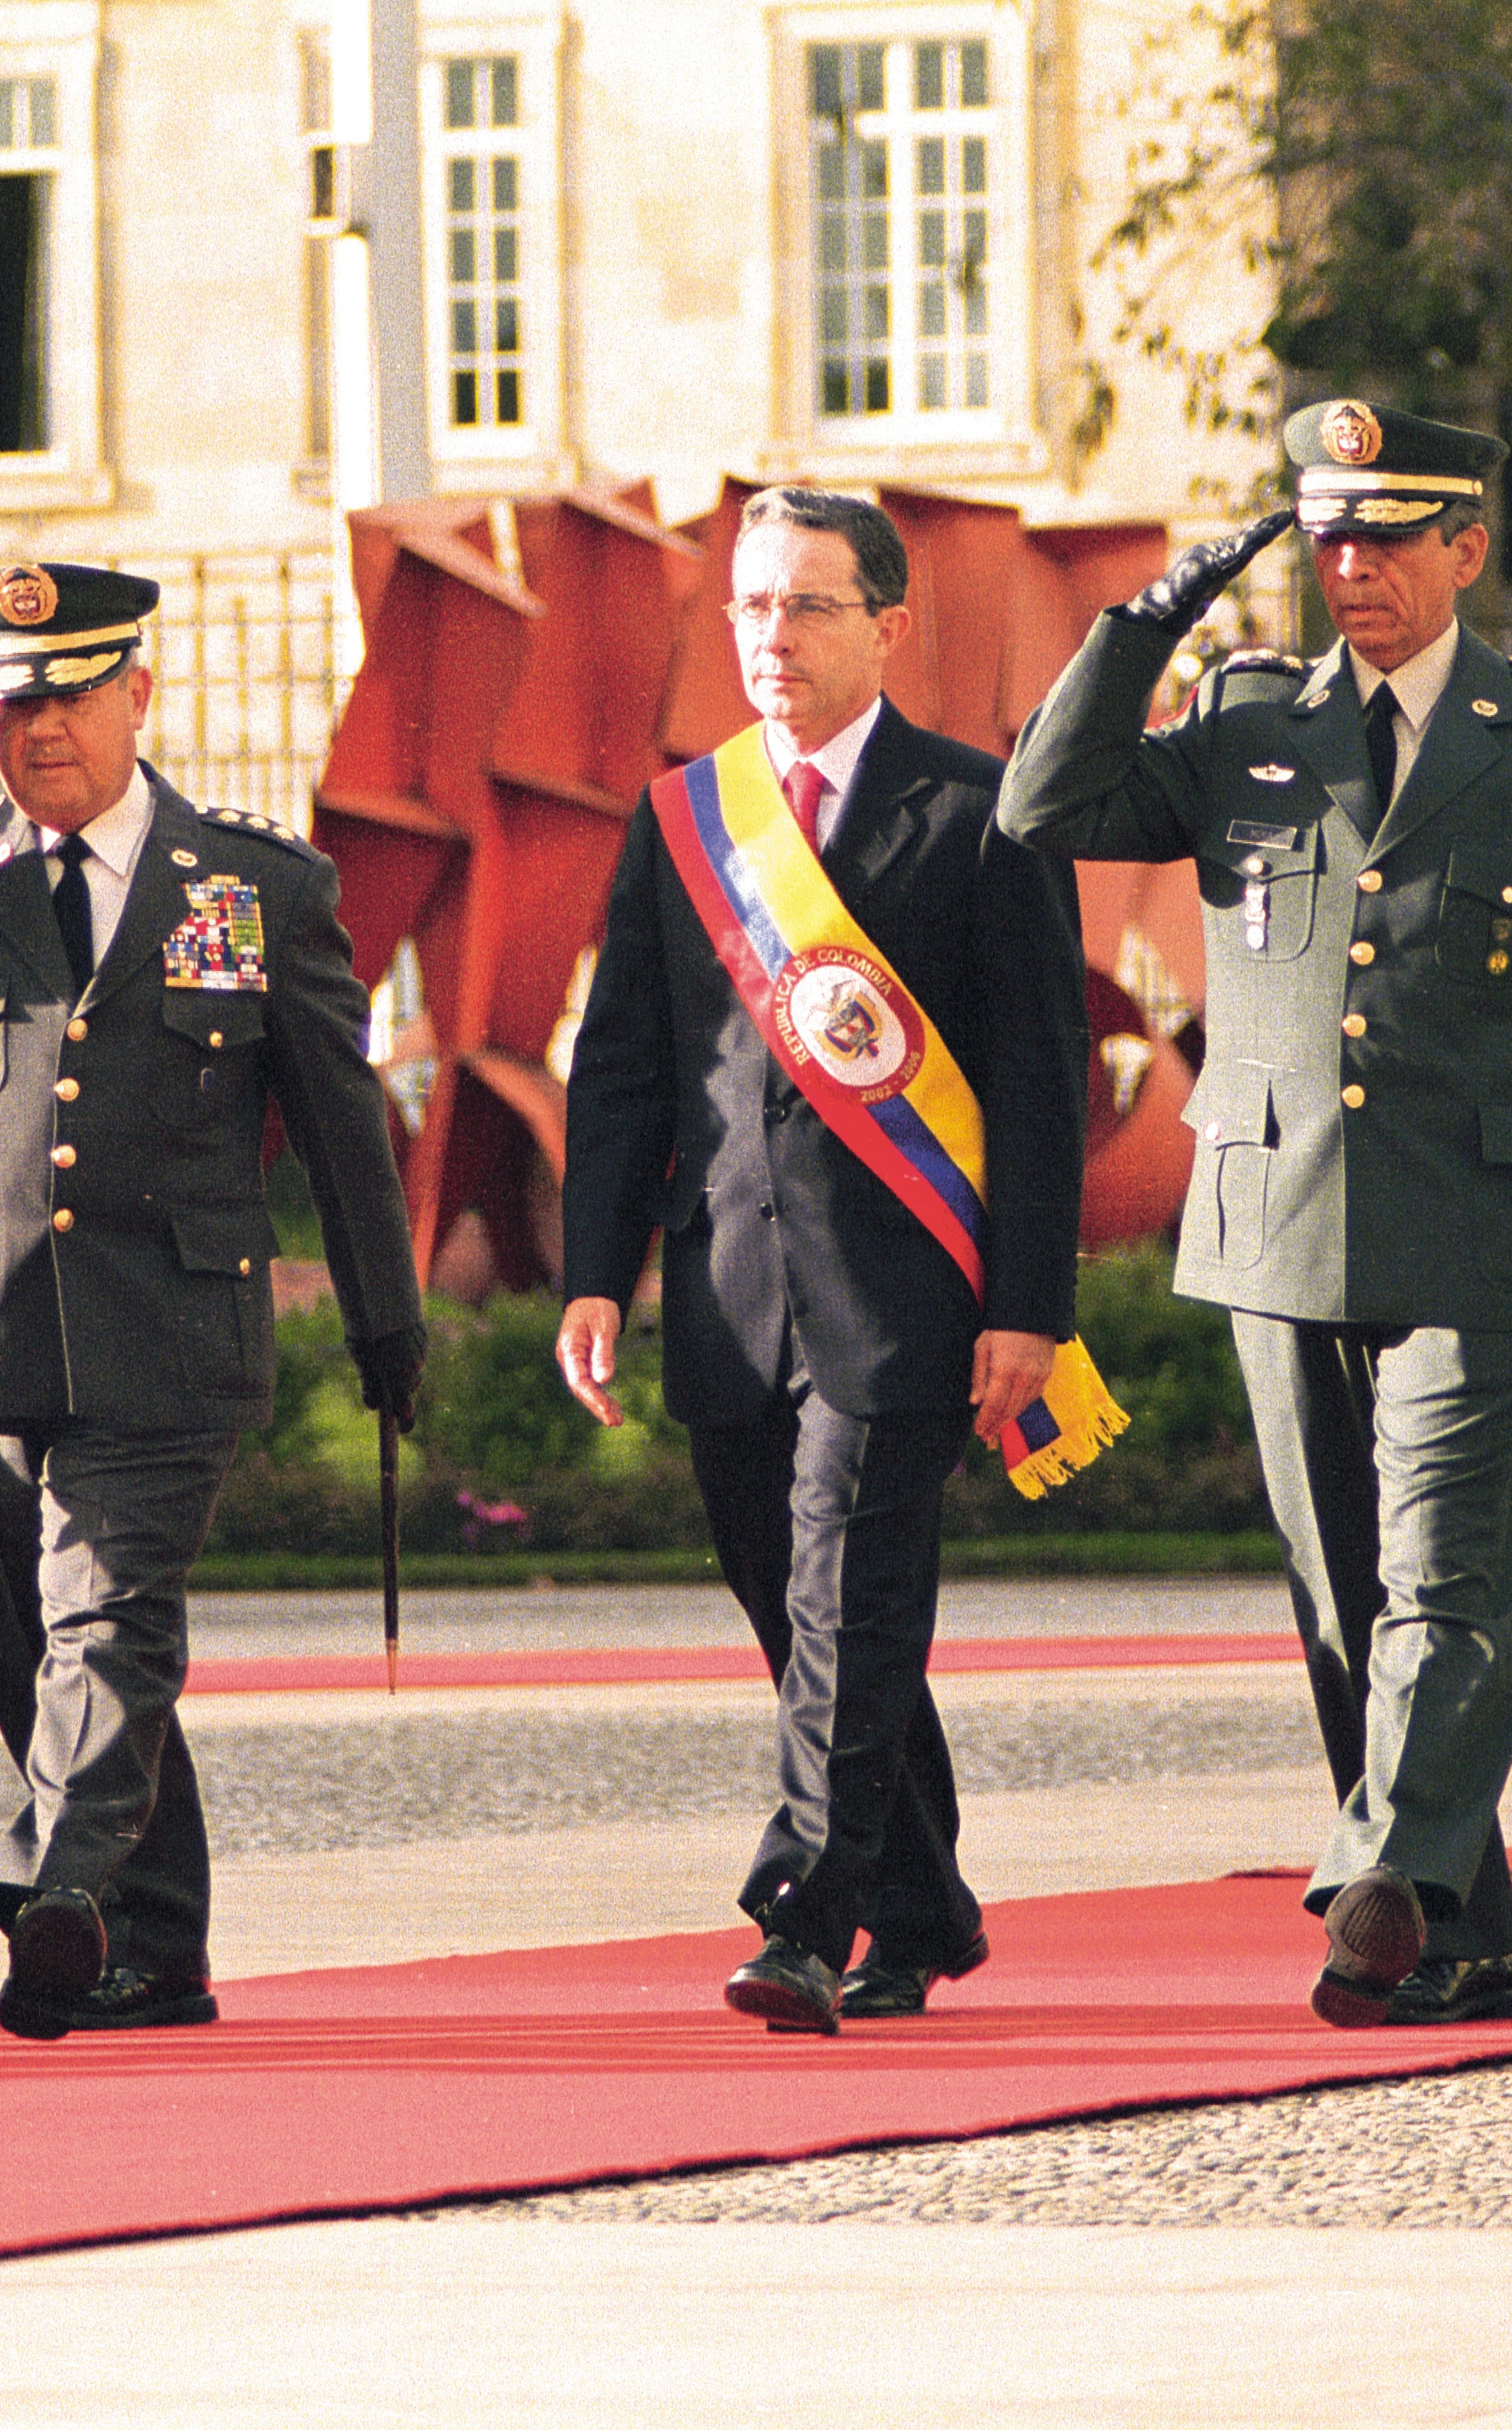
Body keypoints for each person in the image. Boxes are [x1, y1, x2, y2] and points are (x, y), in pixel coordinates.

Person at [999, 401, 1512, 2030]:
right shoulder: (1240, 719)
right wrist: (1138, 626)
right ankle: (1463, 1931)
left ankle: (1376, 1877)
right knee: (1342, 1591)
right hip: (1277, 1210)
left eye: (1385, 537)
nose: (1350, 569)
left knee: (1438, 1574)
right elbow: (1039, 811)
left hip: (1484, 1223)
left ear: (1464, 549)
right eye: (1328, 538)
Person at [0, 562, 424, 2037]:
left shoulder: (251, 883)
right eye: (2, 700)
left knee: (104, 1614)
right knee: (34, 1651)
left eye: (61, 694)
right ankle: (154, 1944)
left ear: (138, 691)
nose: (33, 726)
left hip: (170, 1320)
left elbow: (337, 1119)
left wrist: (389, 1322)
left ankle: (51, 1885)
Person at [554, 488, 1090, 2034]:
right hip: (729, 1292)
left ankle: (806, 1911)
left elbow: (1041, 1080)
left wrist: (1027, 1308)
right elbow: (627, 1065)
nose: (770, 638)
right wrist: (596, 1271)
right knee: (805, 1618)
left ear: (889, 623)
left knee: (847, 1595)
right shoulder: (683, 818)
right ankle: (921, 1898)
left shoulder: (980, 809)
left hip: (907, 1293)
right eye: (750, 607)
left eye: (806, 606)